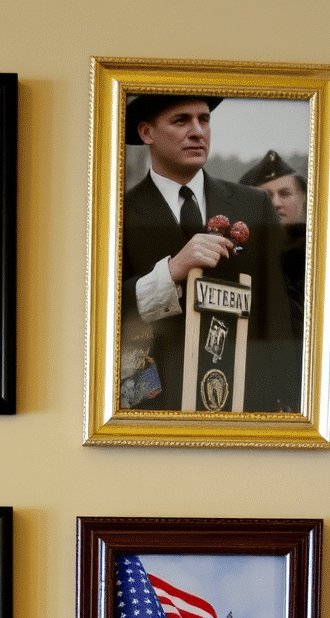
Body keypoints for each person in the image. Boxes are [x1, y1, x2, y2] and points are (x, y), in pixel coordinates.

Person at [120, 94, 299, 413]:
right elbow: (106, 310)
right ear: (147, 133)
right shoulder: (118, 212)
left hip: (246, 402)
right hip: (156, 406)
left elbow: (276, 313)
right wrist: (172, 271)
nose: (197, 131)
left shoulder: (253, 205)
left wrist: (290, 403)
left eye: (204, 120)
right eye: (181, 120)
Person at [240, 151, 307, 337]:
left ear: (302, 199)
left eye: (285, 194)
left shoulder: (318, 258)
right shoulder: (238, 257)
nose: (276, 203)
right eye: (266, 195)